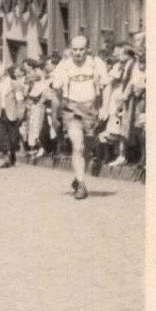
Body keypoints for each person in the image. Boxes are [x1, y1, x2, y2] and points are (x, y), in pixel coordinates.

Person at [50, 34, 112, 199]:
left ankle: (78, 177)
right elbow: (56, 91)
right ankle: (82, 186)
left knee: (87, 149)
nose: (78, 53)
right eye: (75, 49)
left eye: (81, 49)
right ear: (71, 49)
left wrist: (105, 107)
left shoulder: (96, 63)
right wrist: (55, 114)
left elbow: (107, 86)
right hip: (72, 109)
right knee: (78, 146)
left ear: (87, 49)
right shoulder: (63, 66)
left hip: (91, 108)